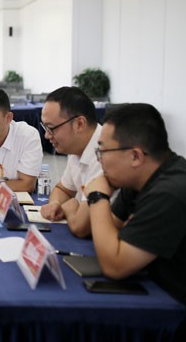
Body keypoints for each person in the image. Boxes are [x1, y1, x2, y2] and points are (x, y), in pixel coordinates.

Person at [84, 103, 186, 310]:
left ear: (135, 156)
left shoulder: (169, 192)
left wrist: (97, 197)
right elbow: (107, 231)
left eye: (102, 151)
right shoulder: (139, 179)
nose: (99, 159)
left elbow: (115, 266)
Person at [39, 87, 102, 237]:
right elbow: (64, 189)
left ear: (79, 124)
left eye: (51, 128)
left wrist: (70, 206)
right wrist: (55, 204)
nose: (47, 136)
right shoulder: (76, 147)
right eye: (44, 127)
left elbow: (82, 227)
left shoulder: (105, 154)